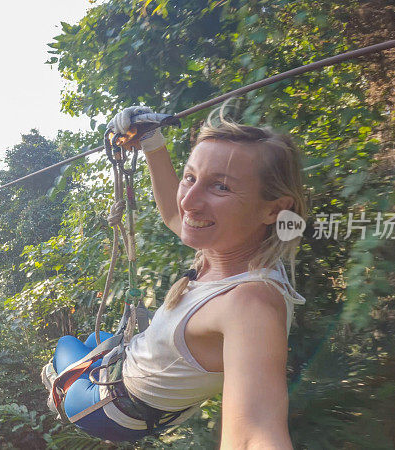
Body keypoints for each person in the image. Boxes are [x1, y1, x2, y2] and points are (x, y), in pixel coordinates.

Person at [49, 104, 308, 447]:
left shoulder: (251, 304)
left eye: (221, 188)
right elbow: (175, 213)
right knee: (98, 341)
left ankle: (59, 389)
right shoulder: (224, 250)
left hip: (105, 409)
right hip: (130, 370)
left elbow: (254, 434)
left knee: (68, 346)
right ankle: (90, 365)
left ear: (273, 209)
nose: (190, 202)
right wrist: (151, 141)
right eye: (190, 178)